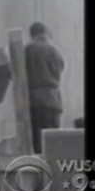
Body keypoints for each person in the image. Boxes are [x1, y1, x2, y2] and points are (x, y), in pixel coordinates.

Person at [25, 22, 65, 154]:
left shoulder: (28, 50)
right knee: (53, 140)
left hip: (34, 100)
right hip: (53, 99)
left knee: (37, 143)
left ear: (32, 35)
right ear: (45, 32)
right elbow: (60, 69)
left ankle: (40, 170)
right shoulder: (54, 50)